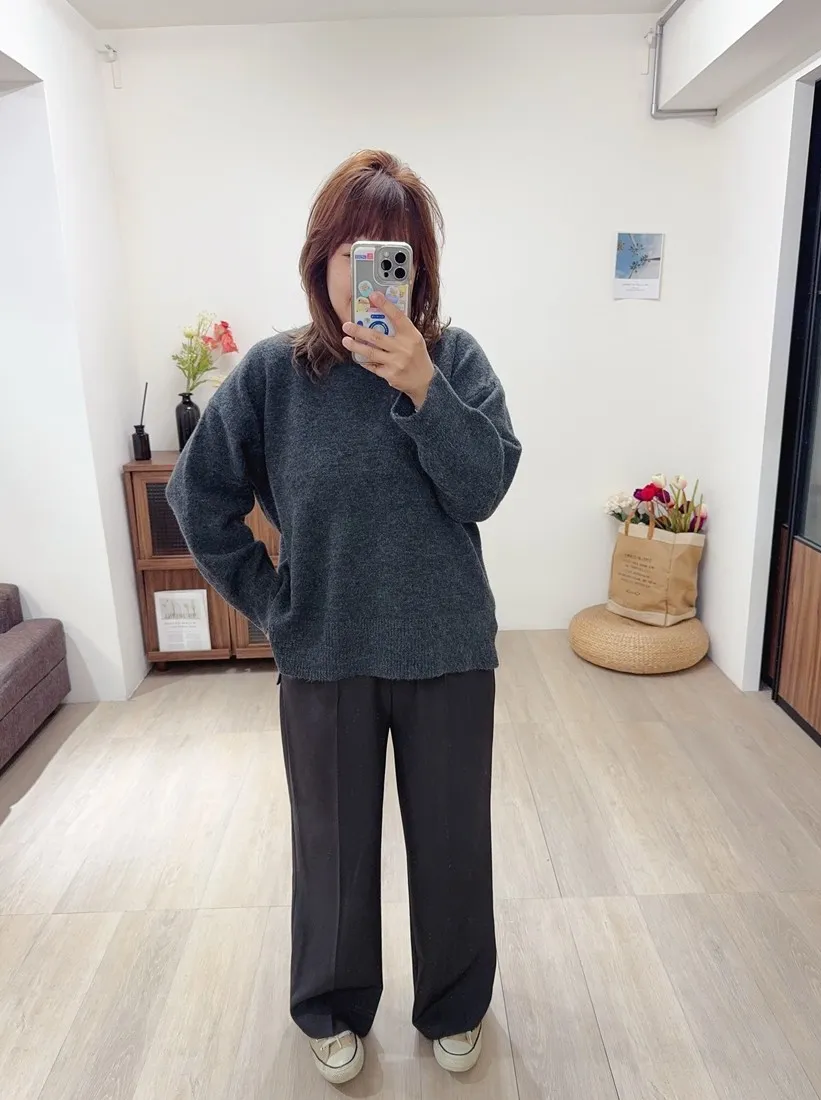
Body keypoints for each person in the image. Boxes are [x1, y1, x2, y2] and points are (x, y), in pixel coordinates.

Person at [167, 150, 521, 1084]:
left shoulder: (456, 361)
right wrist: (269, 600)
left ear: (419, 270)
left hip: (446, 648)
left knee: (452, 843)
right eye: (355, 251)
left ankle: (454, 1004)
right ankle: (329, 1006)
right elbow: (197, 495)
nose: (372, 273)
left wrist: (422, 389)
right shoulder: (272, 376)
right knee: (330, 850)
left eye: (395, 255)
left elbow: (483, 489)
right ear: (321, 259)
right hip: (324, 652)